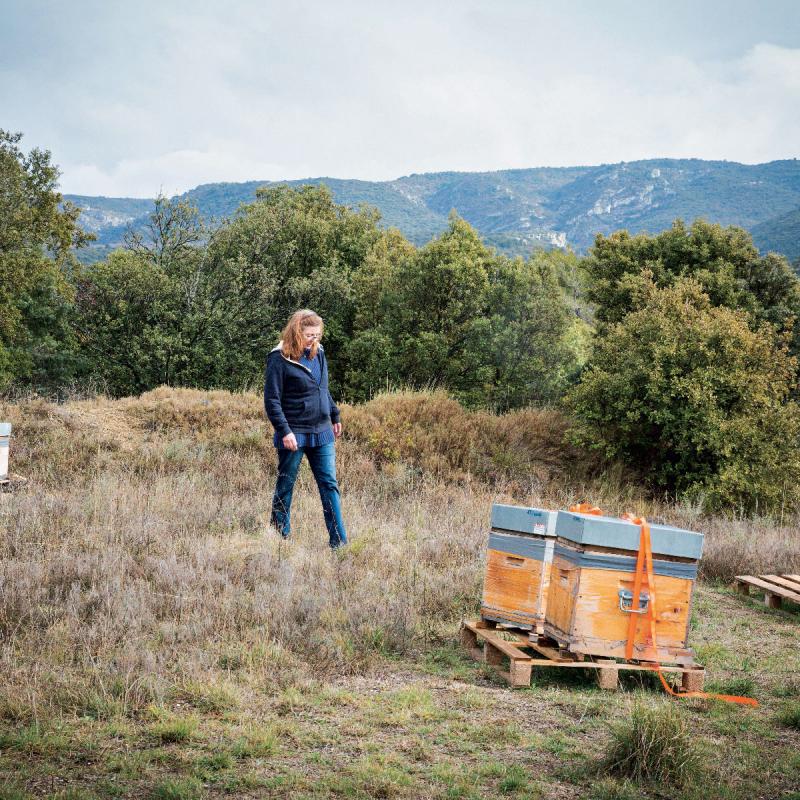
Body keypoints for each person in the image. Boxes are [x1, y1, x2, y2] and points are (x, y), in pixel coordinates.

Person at [264, 309, 347, 548]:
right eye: (310, 335)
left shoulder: (318, 352)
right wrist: (284, 431)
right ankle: (279, 538)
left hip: (322, 431)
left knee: (329, 485)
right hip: (294, 433)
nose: (314, 339)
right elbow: (272, 401)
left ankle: (339, 542)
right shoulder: (278, 358)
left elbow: (323, 388)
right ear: (297, 332)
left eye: (318, 335)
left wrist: (334, 414)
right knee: (286, 484)